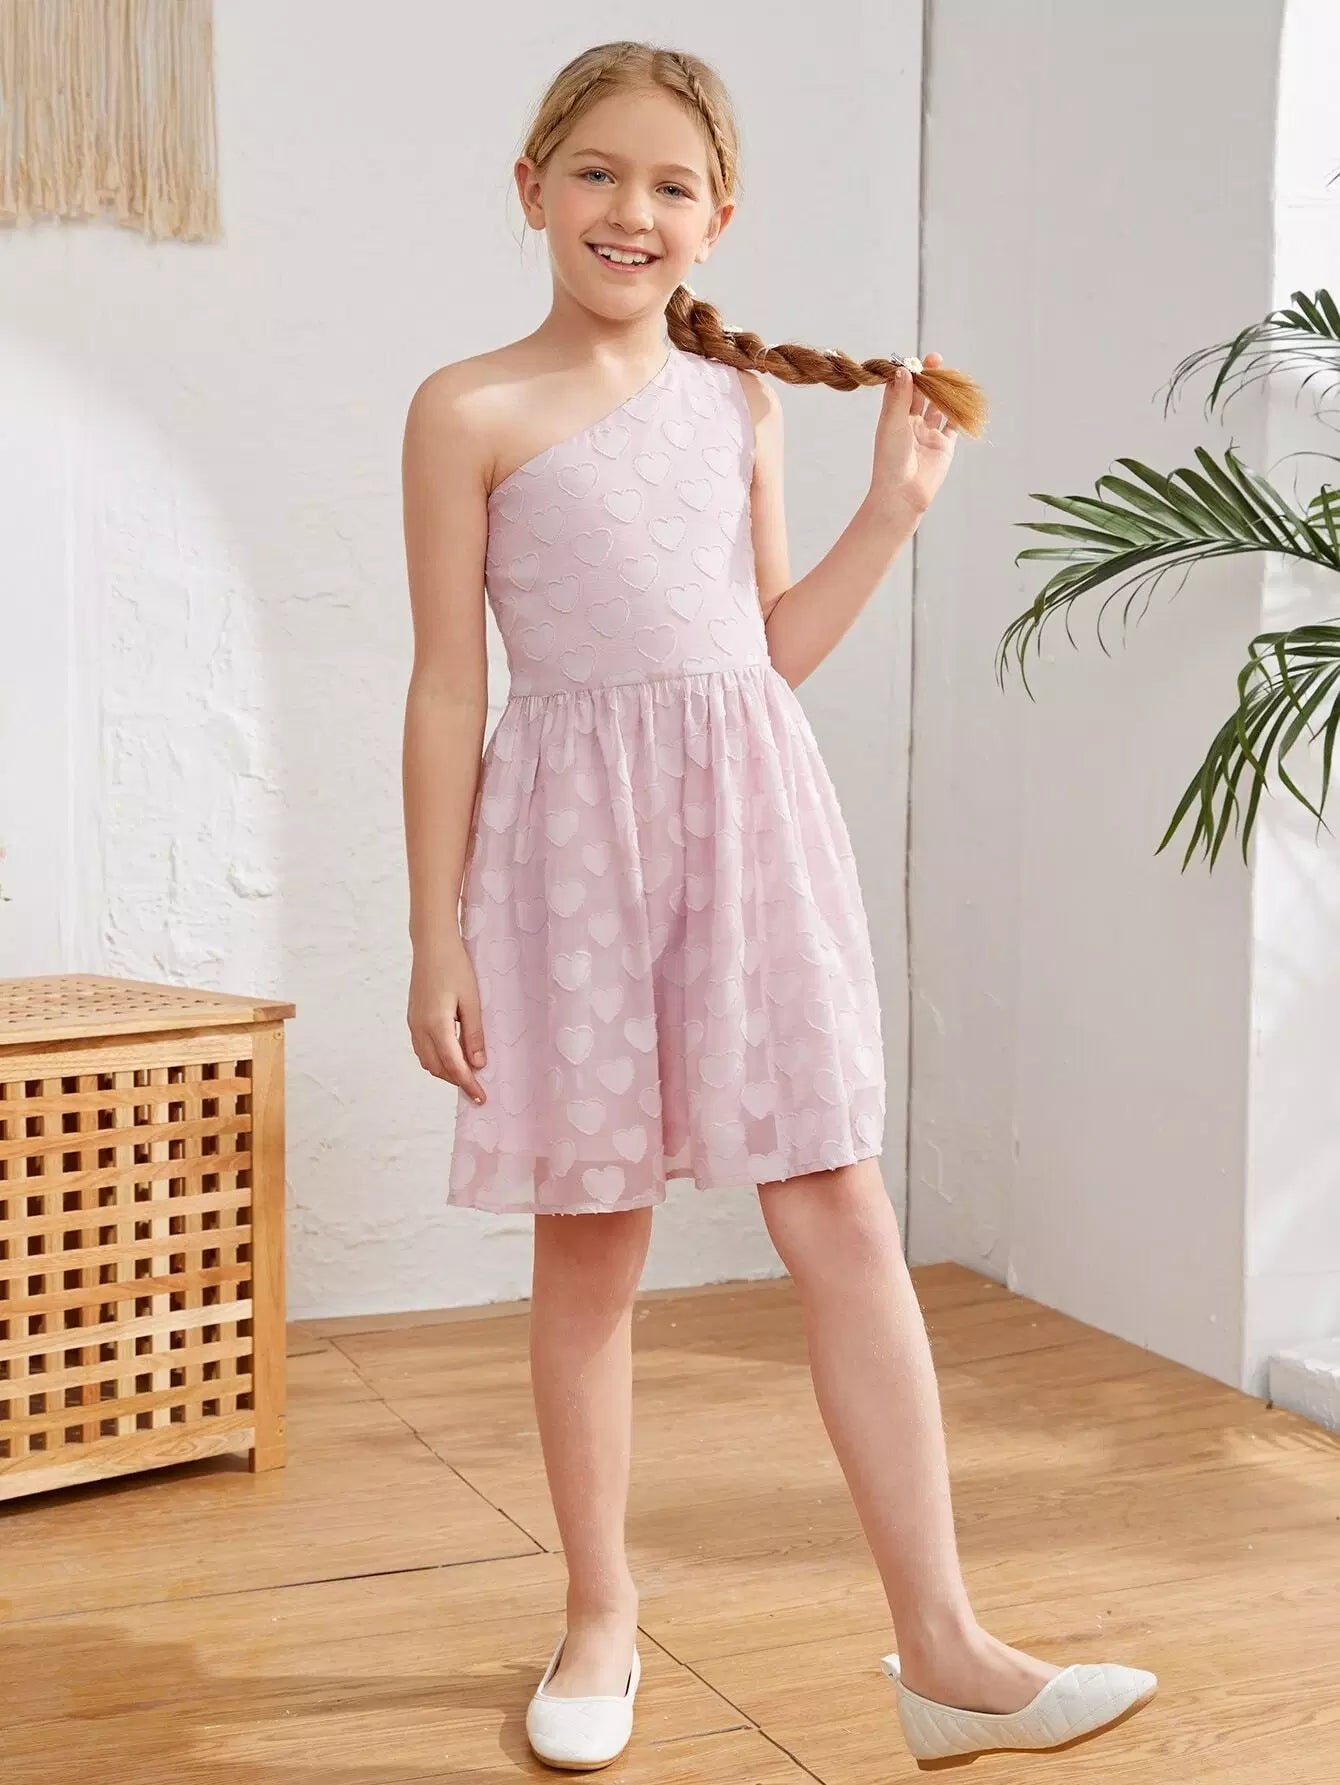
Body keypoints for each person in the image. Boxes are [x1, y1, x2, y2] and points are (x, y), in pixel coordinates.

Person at [401, 38, 1157, 1774]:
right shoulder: (469, 410)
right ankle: (600, 1611)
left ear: (718, 219)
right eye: (598, 173)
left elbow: (761, 655)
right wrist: (436, 929)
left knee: (843, 1212)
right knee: (592, 1235)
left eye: (671, 185)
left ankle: (946, 1648)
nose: (631, 210)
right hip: (568, 862)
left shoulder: (738, 407)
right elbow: (449, 685)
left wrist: (890, 515)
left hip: (752, 836)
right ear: (532, 190)